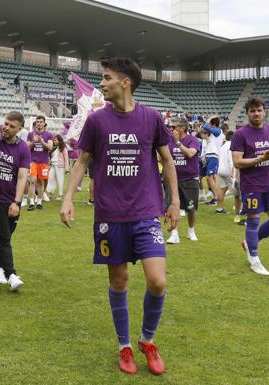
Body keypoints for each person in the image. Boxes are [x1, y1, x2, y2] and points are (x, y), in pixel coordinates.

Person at [60, 58, 179, 376]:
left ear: (125, 82)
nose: (101, 83)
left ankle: (148, 340)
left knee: (157, 280)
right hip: (110, 215)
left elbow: (167, 161)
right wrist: (68, 197)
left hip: (146, 213)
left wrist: (175, 201)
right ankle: (125, 347)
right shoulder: (97, 121)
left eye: (106, 78)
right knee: (120, 280)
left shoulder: (151, 118)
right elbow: (82, 161)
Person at [231, 97, 269, 277]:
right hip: (251, 185)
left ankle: (249, 243)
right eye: (252, 111)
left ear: (264, 111)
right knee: (253, 221)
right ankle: (254, 259)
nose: (256, 113)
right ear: (247, 113)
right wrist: (260, 159)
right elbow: (238, 162)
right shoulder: (240, 134)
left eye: (259, 110)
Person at [0, 111, 30, 291]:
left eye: (11, 126)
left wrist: (17, 201)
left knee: (4, 236)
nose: (6, 128)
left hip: (12, 200)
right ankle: (12, 274)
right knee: (4, 237)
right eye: (5, 123)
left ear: (19, 129)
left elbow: (22, 177)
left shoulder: (23, 148)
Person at [166, 116, 200, 244]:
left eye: (174, 127)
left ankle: (191, 230)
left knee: (191, 208)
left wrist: (178, 143)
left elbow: (190, 153)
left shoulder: (193, 140)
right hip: (173, 179)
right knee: (173, 206)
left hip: (190, 179)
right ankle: (175, 234)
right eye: (170, 126)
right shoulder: (169, 140)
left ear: (183, 128)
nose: (171, 129)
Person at [26, 115, 53, 211]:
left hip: (44, 161)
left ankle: (39, 202)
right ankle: (32, 203)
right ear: (35, 123)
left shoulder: (49, 134)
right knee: (33, 180)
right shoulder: (30, 134)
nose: (39, 123)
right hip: (33, 160)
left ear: (44, 123)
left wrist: (41, 141)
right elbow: (27, 147)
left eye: (41, 122)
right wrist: (34, 141)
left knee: (41, 181)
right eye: (37, 122)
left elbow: (50, 147)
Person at [201, 115, 223, 206]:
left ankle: (216, 197)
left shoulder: (218, 131)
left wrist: (209, 118)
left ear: (213, 124)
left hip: (213, 156)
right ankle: (215, 197)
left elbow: (205, 127)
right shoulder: (214, 133)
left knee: (209, 177)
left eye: (210, 123)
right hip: (210, 156)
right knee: (210, 177)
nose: (209, 125)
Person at [215, 130, 236, 214]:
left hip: (220, 170)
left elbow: (219, 158)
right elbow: (231, 160)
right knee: (237, 189)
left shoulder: (222, 146)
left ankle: (219, 209)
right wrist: (233, 172)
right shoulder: (232, 146)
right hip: (228, 170)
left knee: (222, 189)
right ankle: (238, 207)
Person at [46, 134, 70, 200]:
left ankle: (60, 194)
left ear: (59, 140)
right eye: (54, 140)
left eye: (56, 140)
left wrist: (67, 168)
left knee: (60, 180)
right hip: (52, 165)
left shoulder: (63, 148)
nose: (54, 141)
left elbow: (66, 158)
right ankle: (50, 193)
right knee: (50, 179)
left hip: (60, 166)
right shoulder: (53, 148)